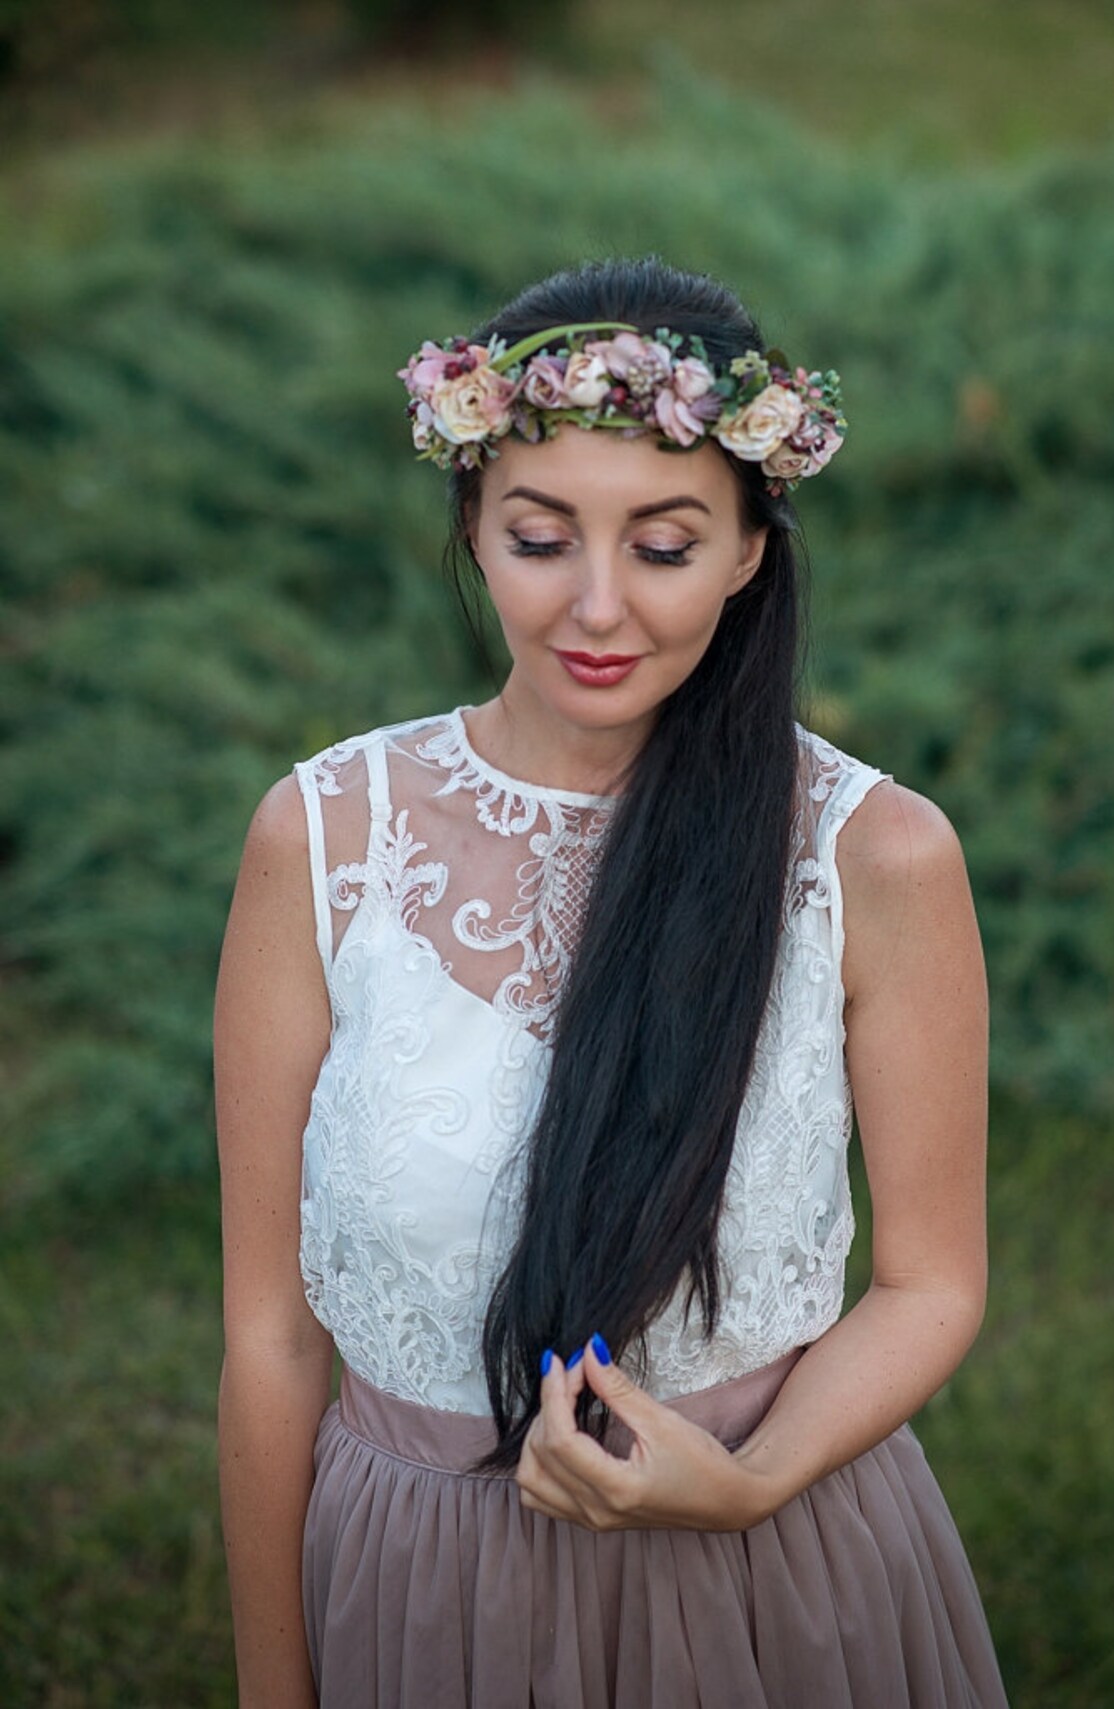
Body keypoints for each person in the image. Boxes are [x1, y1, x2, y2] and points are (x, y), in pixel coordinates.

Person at [215, 256, 1008, 1708]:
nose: (595, 607)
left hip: (771, 1575)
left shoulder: (872, 856)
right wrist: (277, 1685)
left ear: (751, 549)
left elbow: (931, 1280)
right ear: (471, 524)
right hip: (419, 1588)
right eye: (538, 536)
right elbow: (267, 1337)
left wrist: (749, 1480)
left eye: (662, 545)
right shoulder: (326, 835)